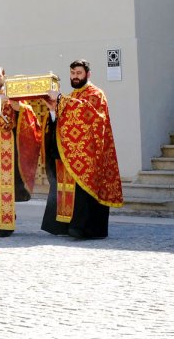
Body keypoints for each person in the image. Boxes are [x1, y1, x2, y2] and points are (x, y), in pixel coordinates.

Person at [41, 60, 123, 239]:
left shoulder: (96, 94)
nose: (75, 77)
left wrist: (61, 100)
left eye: (78, 73)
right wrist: (53, 110)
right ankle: (67, 226)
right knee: (68, 190)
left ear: (88, 74)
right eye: (72, 73)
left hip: (91, 154)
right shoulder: (73, 95)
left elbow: (90, 113)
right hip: (72, 153)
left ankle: (87, 229)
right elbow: (63, 120)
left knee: (85, 194)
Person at [0, 67, 42, 238]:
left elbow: (31, 117)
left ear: (4, 77)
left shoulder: (12, 92)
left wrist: (18, 107)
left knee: (5, 187)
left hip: (7, 147)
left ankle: (6, 223)